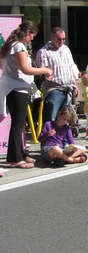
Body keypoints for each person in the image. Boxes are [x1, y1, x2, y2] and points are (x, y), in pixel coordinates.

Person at [0, 21, 53, 169]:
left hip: (13, 87)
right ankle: (15, 158)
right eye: (32, 36)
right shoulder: (18, 46)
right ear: (28, 32)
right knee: (18, 124)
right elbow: (26, 69)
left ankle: (21, 153)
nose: (32, 39)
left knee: (20, 124)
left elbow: (3, 65)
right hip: (18, 88)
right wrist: (45, 70)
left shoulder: (8, 45)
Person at [36, 27, 80, 124]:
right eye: (59, 39)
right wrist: (48, 74)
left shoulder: (66, 49)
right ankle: (50, 138)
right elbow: (43, 71)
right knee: (51, 117)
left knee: (65, 119)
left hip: (67, 88)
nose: (62, 41)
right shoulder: (43, 52)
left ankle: (63, 139)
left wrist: (75, 85)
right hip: (54, 89)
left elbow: (70, 69)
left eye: (63, 39)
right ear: (52, 37)